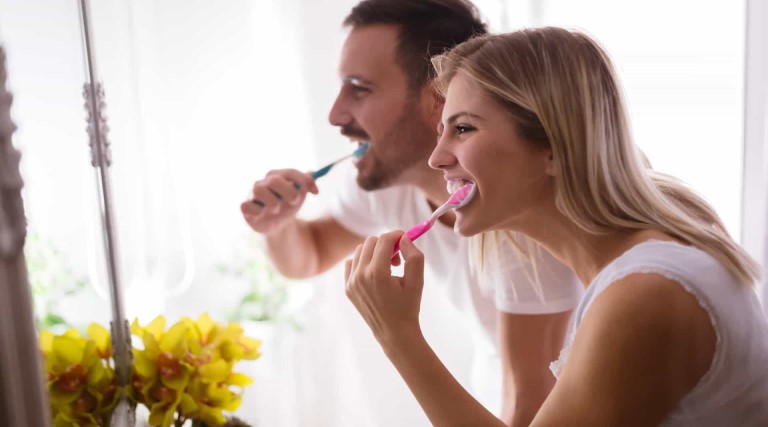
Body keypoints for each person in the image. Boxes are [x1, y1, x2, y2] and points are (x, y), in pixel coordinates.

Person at [343, 27, 768, 426]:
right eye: (442, 131)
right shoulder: (644, 257)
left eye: (464, 129)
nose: (437, 158)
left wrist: (397, 335)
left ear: (554, 148)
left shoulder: (647, 294)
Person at [240, 1, 583, 424]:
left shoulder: (518, 221)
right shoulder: (391, 174)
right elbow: (310, 254)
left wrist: (395, 333)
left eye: (359, 88)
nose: (335, 114)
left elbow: (529, 405)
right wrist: (279, 226)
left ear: (438, 98)